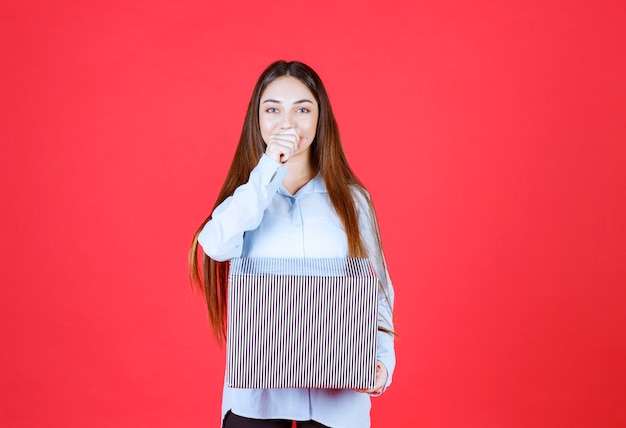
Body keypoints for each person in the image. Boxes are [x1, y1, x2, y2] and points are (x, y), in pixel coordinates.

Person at [188, 60, 396, 428]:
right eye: (273, 110)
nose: (288, 123)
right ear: (258, 120)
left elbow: (377, 289)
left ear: (320, 119)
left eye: (302, 109)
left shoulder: (353, 200)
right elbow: (215, 244)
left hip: (339, 392)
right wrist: (268, 168)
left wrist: (382, 359)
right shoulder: (247, 199)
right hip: (258, 400)